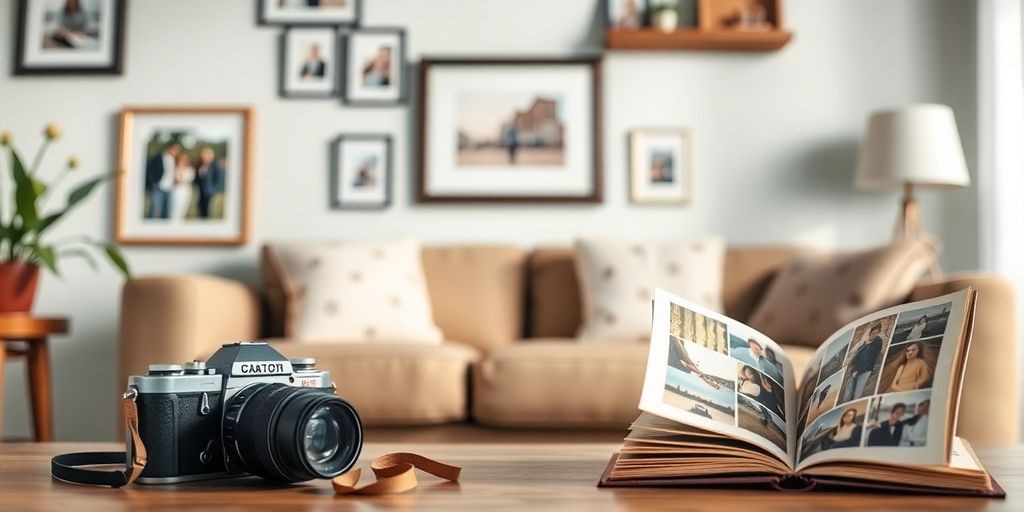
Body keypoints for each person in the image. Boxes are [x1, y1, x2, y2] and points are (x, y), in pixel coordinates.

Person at [842, 322, 885, 402]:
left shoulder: (878, 342)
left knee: (858, 389)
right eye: (873, 333)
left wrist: (858, 371)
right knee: (849, 390)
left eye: (877, 333)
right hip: (855, 369)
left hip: (866, 370)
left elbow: (869, 359)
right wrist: (853, 369)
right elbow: (857, 357)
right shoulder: (863, 344)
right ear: (869, 333)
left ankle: (853, 403)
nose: (875, 335)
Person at [144, 141, 181, 219]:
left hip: (170, 188)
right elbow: (150, 172)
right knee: (154, 210)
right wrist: (152, 184)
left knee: (166, 212)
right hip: (158, 187)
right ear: (169, 148)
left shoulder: (175, 160)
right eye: (175, 149)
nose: (176, 152)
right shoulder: (157, 158)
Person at [195, 146, 225, 219]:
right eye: (202, 156)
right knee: (201, 210)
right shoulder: (200, 165)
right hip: (201, 192)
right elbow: (197, 180)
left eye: (205, 155)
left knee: (209, 211)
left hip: (211, 193)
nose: (203, 157)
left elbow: (219, 180)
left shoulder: (215, 165)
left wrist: (214, 190)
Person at [170, 153, 195, 220]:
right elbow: (176, 180)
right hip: (176, 191)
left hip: (186, 191)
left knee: (183, 208)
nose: (182, 161)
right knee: (174, 207)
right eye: (181, 159)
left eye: (184, 160)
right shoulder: (175, 168)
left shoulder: (190, 170)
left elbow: (188, 181)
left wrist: (181, 180)